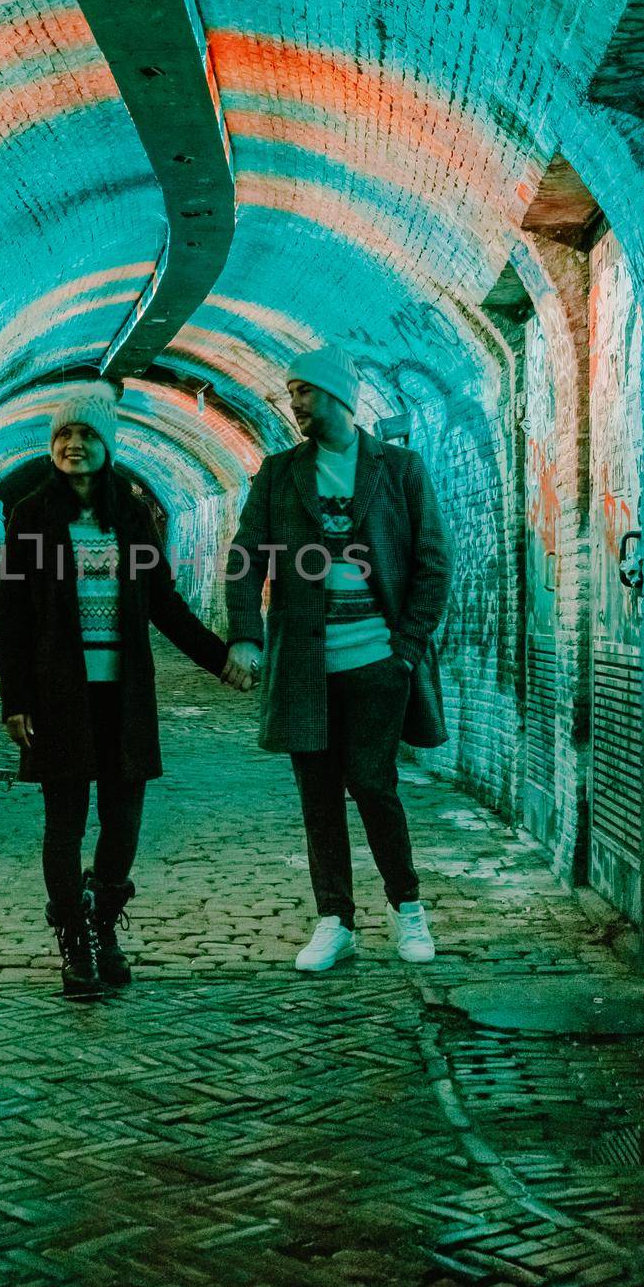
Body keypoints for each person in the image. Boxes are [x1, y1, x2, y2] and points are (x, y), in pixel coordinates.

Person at [0, 381, 234, 997]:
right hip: (57, 698)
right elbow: (15, 616)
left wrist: (221, 660)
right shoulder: (31, 517)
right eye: (64, 436)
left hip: (123, 697)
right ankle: (75, 945)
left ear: (107, 444)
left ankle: (103, 924)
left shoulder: (130, 515)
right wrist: (14, 699)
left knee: (123, 823)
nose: (73, 445)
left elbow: (163, 604)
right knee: (65, 823)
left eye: (86, 435)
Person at [221, 344, 452, 972]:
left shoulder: (399, 469)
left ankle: (409, 912)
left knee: (375, 787)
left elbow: (434, 563)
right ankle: (335, 922)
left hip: (378, 664)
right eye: (292, 391)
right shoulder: (278, 474)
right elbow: (245, 562)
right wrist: (246, 635)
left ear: (338, 396)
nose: (294, 402)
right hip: (303, 666)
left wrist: (404, 649)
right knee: (317, 797)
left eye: (304, 391)